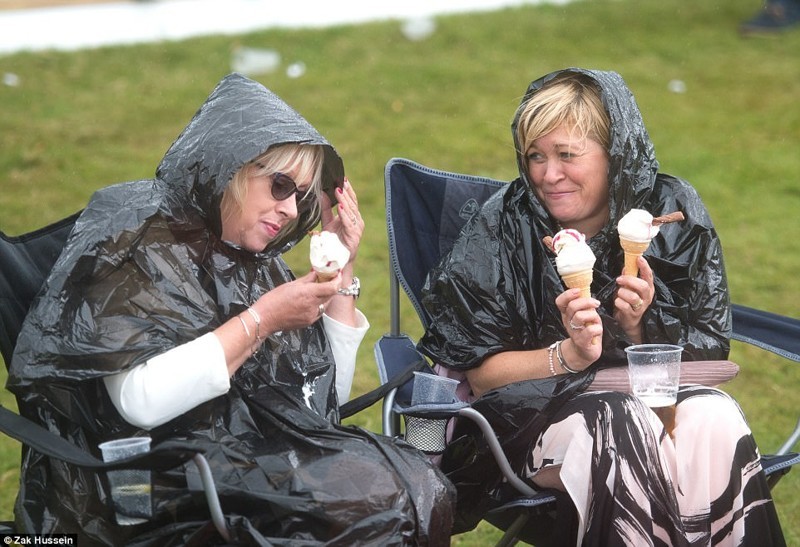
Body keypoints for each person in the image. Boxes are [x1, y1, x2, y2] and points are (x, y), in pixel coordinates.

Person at [8, 73, 454, 546]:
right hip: (140, 491)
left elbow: (319, 411)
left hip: (238, 470)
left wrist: (339, 279)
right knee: (379, 502)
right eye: (280, 185)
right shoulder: (136, 235)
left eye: (301, 196)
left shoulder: (254, 264)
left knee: (410, 491)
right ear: (231, 167)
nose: (288, 208)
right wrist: (260, 321)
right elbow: (139, 401)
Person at [418, 68, 785, 545]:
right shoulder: (505, 226)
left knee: (716, 414)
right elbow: (481, 375)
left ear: (615, 157)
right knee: (620, 424)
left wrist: (638, 326)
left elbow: (710, 350)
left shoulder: (670, 213)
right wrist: (568, 355)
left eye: (567, 155)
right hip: (527, 423)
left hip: (650, 398)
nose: (548, 175)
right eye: (535, 156)